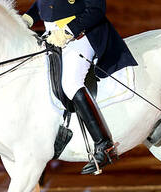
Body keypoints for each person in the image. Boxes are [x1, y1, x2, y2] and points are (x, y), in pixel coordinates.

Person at [22, 0, 138, 175]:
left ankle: (104, 146)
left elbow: (96, 10)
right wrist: (28, 18)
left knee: (71, 82)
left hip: (82, 34)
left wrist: (68, 31)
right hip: (52, 35)